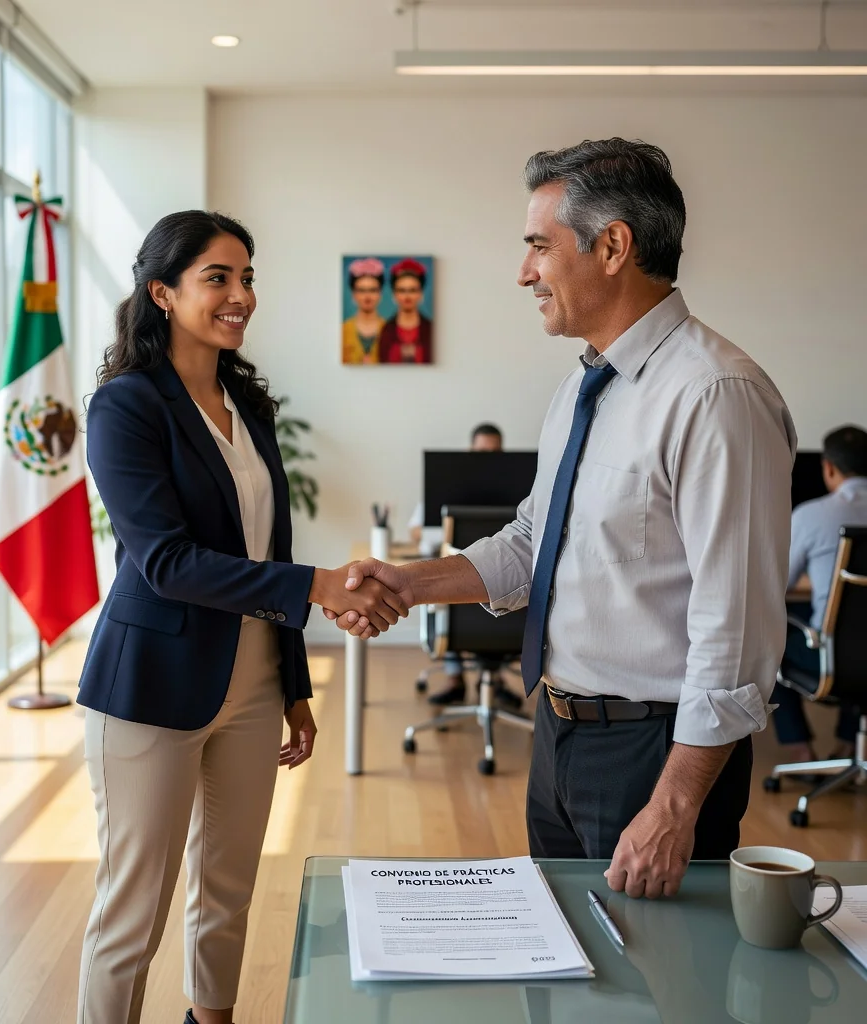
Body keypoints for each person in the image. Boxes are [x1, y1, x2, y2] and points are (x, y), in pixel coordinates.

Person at [331, 139, 796, 899]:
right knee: (573, 972)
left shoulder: (715, 395)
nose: (524, 272)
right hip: (556, 735)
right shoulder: (586, 386)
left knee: (658, 989)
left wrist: (676, 803)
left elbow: (736, 627)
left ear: (613, 246)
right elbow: (532, 541)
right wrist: (410, 582)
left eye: (539, 246)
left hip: (657, 754)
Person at [77, 211, 407, 1024]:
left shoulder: (247, 403)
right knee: (133, 914)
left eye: (247, 277)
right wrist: (325, 583)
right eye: (217, 278)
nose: (239, 295)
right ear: (162, 293)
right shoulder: (125, 407)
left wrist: (292, 684)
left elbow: (266, 544)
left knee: (227, 891)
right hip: (152, 687)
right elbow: (167, 562)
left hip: (254, 683)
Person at [408, 423, 522, 710]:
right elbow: (416, 530)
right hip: (457, 581)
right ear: (470, 451)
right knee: (447, 590)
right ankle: (455, 680)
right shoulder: (448, 485)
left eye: (495, 454)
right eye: (482, 452)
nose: (487, 460)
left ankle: (493, 682)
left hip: (500, 585)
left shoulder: (519, 492)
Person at [771, 425, 867, 763]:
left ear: (828, 467)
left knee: (769, 635)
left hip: (831, 662)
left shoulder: (812, 516)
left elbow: (777, 584)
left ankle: (801, 749)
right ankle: (848, 744)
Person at [378, 259, 433, 364]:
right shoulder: (386, 330)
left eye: (412, 290)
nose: (407, 296)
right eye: (402, 290)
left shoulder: (430, 329)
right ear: (394, 294)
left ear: (420, 294)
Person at [342, 257, 386, 364]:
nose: (367, 296)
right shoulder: (342, 331)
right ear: (353, 294)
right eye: (361, 290)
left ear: (380, 294)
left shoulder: (390, 330)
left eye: (373, 290)